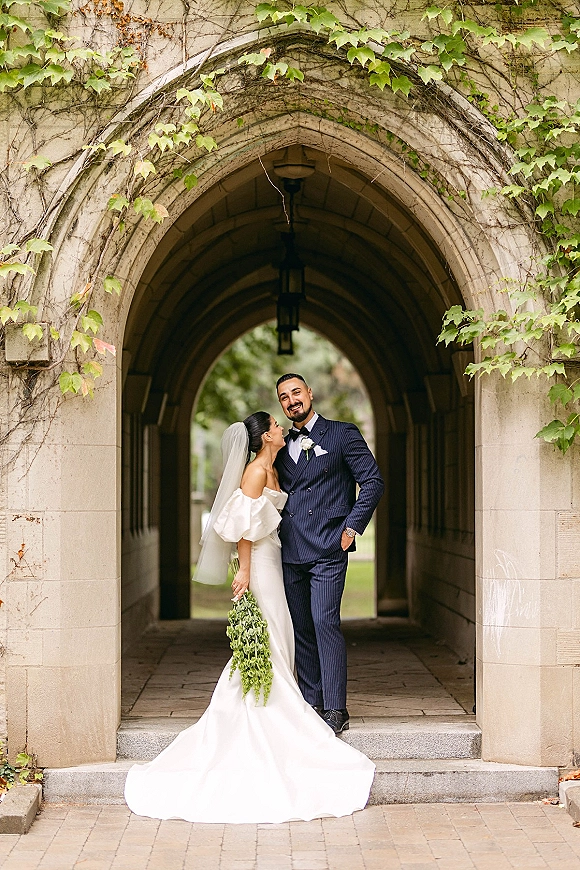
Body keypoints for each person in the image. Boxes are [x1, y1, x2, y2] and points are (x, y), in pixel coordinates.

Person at [124, 412, 375, 824]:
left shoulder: (276, 467)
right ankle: (258, 705)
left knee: (283, 636)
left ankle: (277, 699)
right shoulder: (256, 472)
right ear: (263, 438)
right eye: (275, 424)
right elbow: (243, 527)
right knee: (273, 636)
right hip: (259, 565)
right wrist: (243, 570)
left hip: (277, 559)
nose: (282, 427)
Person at [275, 374, 384, 735]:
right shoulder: (278, 446)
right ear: (281, 405)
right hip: (290, 549)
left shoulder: (341, 434)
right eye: (284, 397)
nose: (292, 401)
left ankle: (336, 706)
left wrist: (351, 527)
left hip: (328, 548)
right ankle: (311, 702)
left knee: (324, 620)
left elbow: (372, 481)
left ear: (310, 393)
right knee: (302, 627)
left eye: (296, 392)